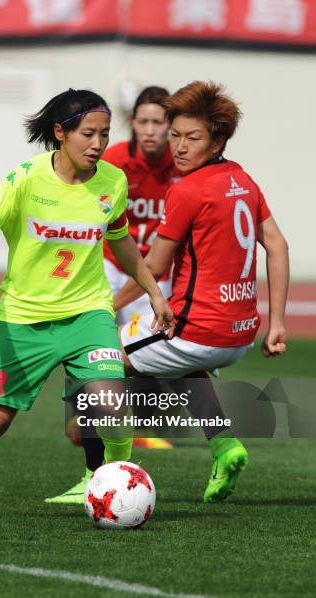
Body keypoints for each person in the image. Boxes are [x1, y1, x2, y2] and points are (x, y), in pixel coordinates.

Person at [0, 88, 174, 520]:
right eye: (88, 134)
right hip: (24, 319)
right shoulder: (25, 177)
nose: (98, 144)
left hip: (88, 313)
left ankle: (118, 484)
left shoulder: (112, 182)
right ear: (60, 132)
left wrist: (153, 291)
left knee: (110, 404)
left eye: (104, 134)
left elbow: (122, 243)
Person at [115, 81, 289, 503]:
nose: (179, 146)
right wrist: (278, 325)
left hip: (199, 331)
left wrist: (104, 305)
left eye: (192, 138)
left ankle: (103, 475)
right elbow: (279, 246)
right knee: (179, 357)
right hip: (241, 335)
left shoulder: (186, 189)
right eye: (175, 135)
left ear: (218, 139)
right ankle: (224, 444)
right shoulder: (241, 178)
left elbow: (153, 267)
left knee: (99, 355)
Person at [45, 86, 181, 505]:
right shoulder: (114, 160)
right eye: (144, 121)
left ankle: (132, 438)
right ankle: (91, 461)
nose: (152, 130)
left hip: (153, 275)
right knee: (95, 365)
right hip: (105, 268)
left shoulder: (183, 166)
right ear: (133, 124)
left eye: (160, 122)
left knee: (142, 364)